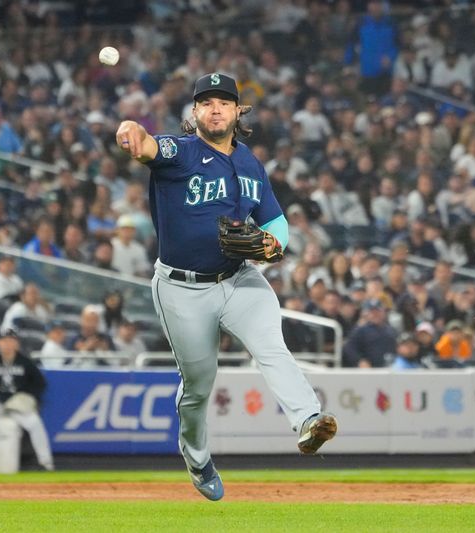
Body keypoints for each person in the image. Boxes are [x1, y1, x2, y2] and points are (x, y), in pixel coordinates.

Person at [116, 72, 336, 501]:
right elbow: (144, 144)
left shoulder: (251, 163)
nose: (215, 108)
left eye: (224, 102)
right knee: (199, 385)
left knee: (271, 345)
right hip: (182, 288)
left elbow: (274, 220)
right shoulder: (178, 151)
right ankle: (197, 459)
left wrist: (276, 242)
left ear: (238, 111)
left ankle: (309, 419)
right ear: (194, 112)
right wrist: (130, 130)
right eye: (206, 102)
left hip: (239, 278)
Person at [0, 329, 54, 471]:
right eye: (4, 341)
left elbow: (41, 383)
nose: (7, 344)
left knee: (35, 423)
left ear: (16, 343)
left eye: (11, 340)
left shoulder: (25, 362)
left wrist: (29, 397)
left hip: (16, 404)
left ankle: (46, 462)